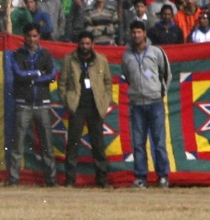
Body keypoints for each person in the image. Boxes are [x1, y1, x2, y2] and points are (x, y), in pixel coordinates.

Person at [121, 21, 172, 189]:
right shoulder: (127, 56)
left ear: (144, 33)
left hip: (155, 102)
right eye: (133, 32)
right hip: (136, 104)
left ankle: (163, 176)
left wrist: (159, 91)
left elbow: (165, 74)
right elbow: (128, 77)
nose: (136, 35)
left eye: (139, 32)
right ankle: (141, 177)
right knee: (138, 143)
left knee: (158, 142)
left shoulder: (156, 52)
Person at [58, 30, 111, 188]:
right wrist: (67, 101)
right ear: (78, 44)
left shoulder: (101, 60)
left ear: (92, 44)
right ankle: (70, 180)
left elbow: (108, 82)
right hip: (77, 107)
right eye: (82, 44)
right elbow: (62, 83)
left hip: (95, 107)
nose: (85, 47)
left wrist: (105, 100)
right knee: (73, 145)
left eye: (88, 44)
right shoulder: (69, 60)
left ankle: (101, 181)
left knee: (98, 146)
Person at [8, 24, 57, 186]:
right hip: (24, 103)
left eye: (35, 36)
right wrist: (37, 73)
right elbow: (18, 74)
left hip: (42, 103)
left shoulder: (46, 54)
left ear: (39, 37)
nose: (31, 39)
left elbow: (51, 75)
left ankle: (51, 180)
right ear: (24, 36)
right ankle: (14, 180)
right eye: (29, 36)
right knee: (18, 144)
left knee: (47, 144)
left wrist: (30, 76)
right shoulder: (17, 55)